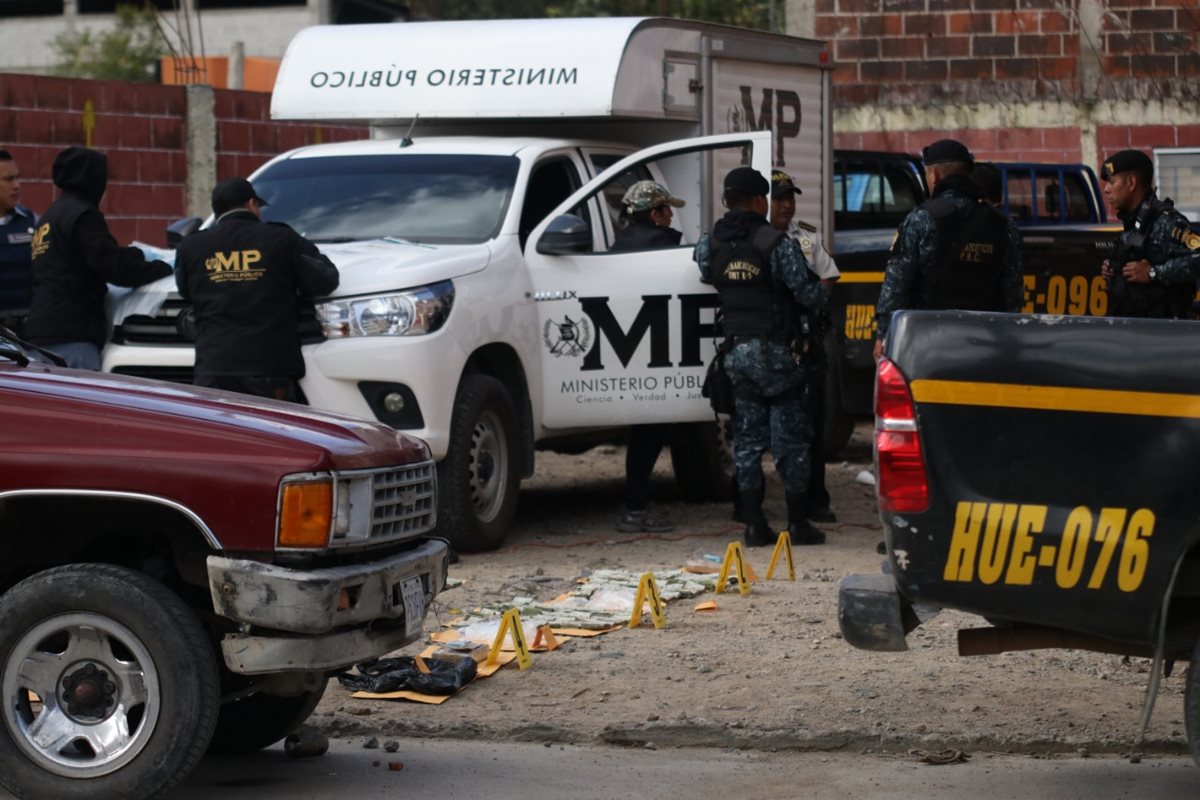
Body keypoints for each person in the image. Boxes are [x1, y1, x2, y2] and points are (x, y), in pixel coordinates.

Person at [695, 166, 827, 547]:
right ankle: (798, 523)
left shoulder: (711, 243)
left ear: (725, 201)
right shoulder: (775, 243)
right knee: (790, 440)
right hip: (777, 354)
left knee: (748, 441)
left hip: (736, 352)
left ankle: (753, 524)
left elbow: (706, 272)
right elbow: (808, 293)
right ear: (759, 201)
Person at [174, 176, 339, 402]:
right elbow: (326, 280)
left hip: (213, 367)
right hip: (269, 367)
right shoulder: (281, 238)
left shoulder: (191, 246)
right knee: (268, 433)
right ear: (252, 204)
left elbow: (185, 291)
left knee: (218, 434)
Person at [873, 139, 1022, 361]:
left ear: (934, 175)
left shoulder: (921, 219)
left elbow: (896, 285)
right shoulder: (1003, 224)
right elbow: (1012, 292)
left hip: (929, 344)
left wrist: (883, 334)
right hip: (986, 345)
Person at [25, 146, 171, 369]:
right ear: (91, 178)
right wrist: (163, 267)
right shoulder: (82, 215)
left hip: (41, 336)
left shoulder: (49, 218)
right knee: (80, 400)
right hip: (73, 338)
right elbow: (114, 267)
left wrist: (134, 254)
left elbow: (80, 258)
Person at [611, 180, 685, 533]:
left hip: (627, 352)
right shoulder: (665, 245)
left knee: (644, 432)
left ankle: (636, 504)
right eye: (668, 210)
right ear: (655, 214)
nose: (672, 217)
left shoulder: (616, 247)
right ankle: (635, 507)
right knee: (649, 433)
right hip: (658, 352)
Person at [769, 169, 839, 524]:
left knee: (811, 424)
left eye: (790, 197)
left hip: (806, 344)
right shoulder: (753, 240)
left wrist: (810, 301)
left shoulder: (806, 238)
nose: (787, 205)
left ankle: (815, 499)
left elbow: (828, 275)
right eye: (779, 198)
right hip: (769, 345)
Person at [1098, 149, 1200, 319]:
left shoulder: (1167, 221)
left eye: (1112, 182)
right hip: (1133, 329)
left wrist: (1153, 273)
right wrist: (1114, 270)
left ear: (1131, 183)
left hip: (1164, 333)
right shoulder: (1134, 222)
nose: (1107, 189)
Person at [0, 149, 37, 336]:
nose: (16, 186)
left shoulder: (31, 222)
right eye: (8, 179)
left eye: (18, 178)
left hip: (25, 335)